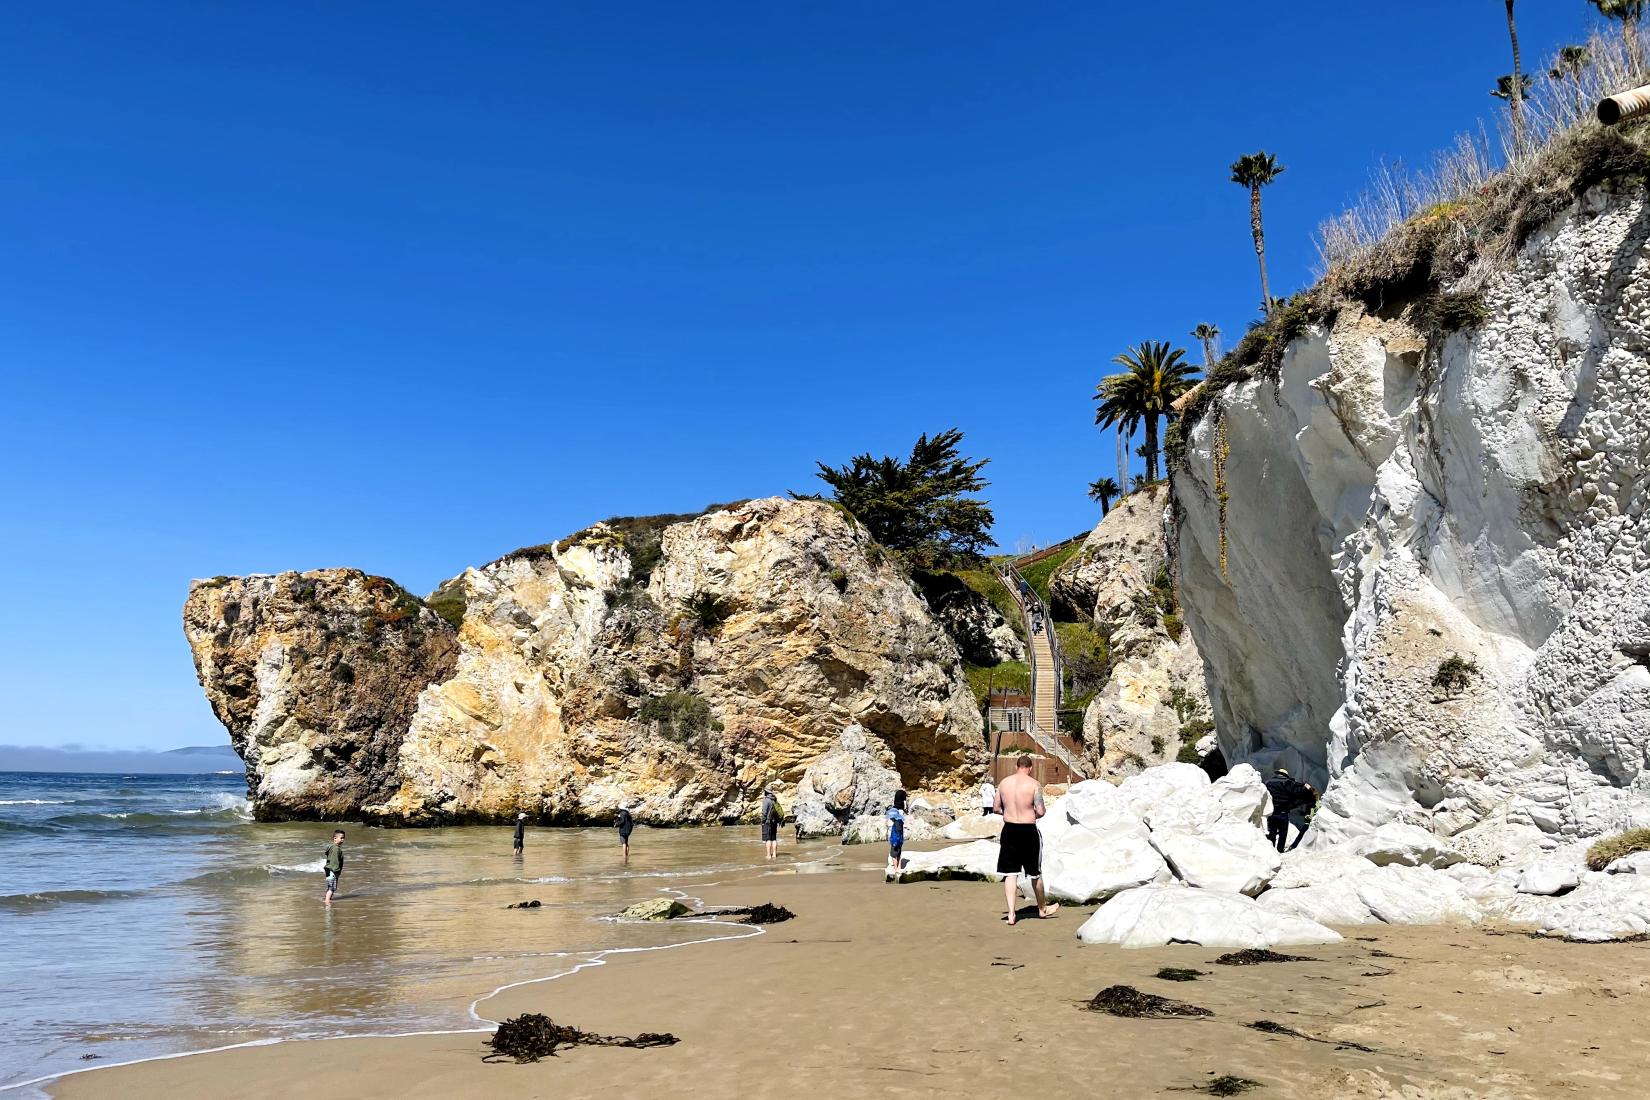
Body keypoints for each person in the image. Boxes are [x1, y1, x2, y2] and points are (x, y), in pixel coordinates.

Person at [993, 755, 1059, 925]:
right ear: (1030, 768)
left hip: (1009, 830)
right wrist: (1031, 814)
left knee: (1010, 873)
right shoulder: (1034, 784)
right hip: (1028, 830)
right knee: (1035, 873)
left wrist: (1009, 813)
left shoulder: (1004, 783)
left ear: (1017, 766)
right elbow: (1041, 811)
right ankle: (1042, 909)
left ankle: (1011, 914)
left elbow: (995, 808)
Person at [1262, 767, 1314, 853]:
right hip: (1283, 812)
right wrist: (1305, 788)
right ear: (1285, 775)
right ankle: (1279, 851)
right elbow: (1297, 792)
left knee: (1272, 833)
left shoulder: (1268, 782)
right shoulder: (1287, 782)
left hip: (1271, 812)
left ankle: (1270, 852)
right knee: (1282, 833)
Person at [886, 789, 908, 874]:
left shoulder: (893, 811)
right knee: (898, 850)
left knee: (894, 851)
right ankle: (897, 867)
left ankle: (896, 867)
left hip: (894, 833)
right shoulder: (900, 811)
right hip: (899, 833)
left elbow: (890, 821)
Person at [760, 786, 782, 860]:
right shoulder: (774, 800)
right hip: (774, 822)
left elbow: (764, 813)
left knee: (768, 839)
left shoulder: (766, 800)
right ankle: (775, 855)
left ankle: (769, 855)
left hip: (768, 822)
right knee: (774, 839)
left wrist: (763, 821)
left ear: (766, 792)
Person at [323, 829, 345, 904]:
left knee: (331, 887)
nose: (343, 840)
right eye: (341, 838)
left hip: (328, 869)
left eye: (343, 838)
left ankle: (328, 899)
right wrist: (336, 871)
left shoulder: (332, 847)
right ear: (335, 838)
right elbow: (335, 861)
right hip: (332, 870)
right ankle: (327, 901)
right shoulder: (336, 848)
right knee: (332, 888)